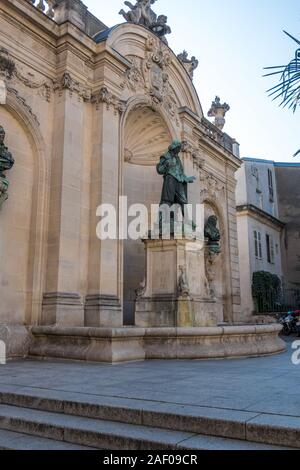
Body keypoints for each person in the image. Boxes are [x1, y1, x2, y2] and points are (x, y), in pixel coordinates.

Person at [157, 140, 195, 217]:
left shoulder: (178, 159)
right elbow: (159, 170)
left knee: (183, 201)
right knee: (168, 199)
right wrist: (166, 165)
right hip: (170, 178)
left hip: (179, 181)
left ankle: (188, 221)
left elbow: (180, 172)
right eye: (178, 148)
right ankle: (163, 218)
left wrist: (187, 178)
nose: (179, 150)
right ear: (174, 148)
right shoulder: (165, 156)